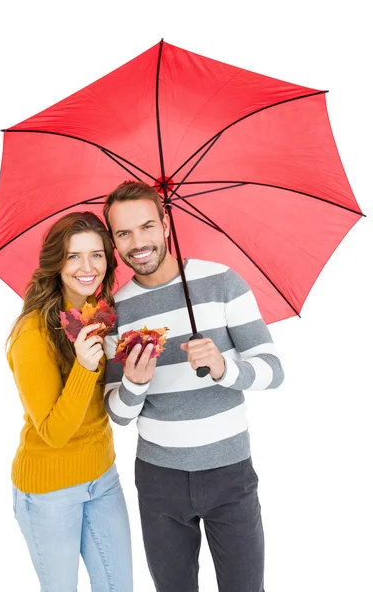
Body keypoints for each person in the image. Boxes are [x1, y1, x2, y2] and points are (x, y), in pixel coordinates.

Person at [103, 181, 285, 592]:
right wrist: (134, 383)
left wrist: (224, 367)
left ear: (166, 224)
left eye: (147, 226)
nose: (138, 242)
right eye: (124, 233)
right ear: (113, 240)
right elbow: (118, 414)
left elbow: (274, 370)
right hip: (158, 480)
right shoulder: (115, 312)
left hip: (230, 473)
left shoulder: (221, 281)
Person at [7, 212, 133, 592]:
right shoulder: (32, 333)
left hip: (103, 478)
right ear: (55, 263)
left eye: (97, 255)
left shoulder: (101, 315)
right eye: (73, 256)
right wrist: (83, 366)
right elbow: (55, 431)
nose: (87, 267)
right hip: (49, 489)